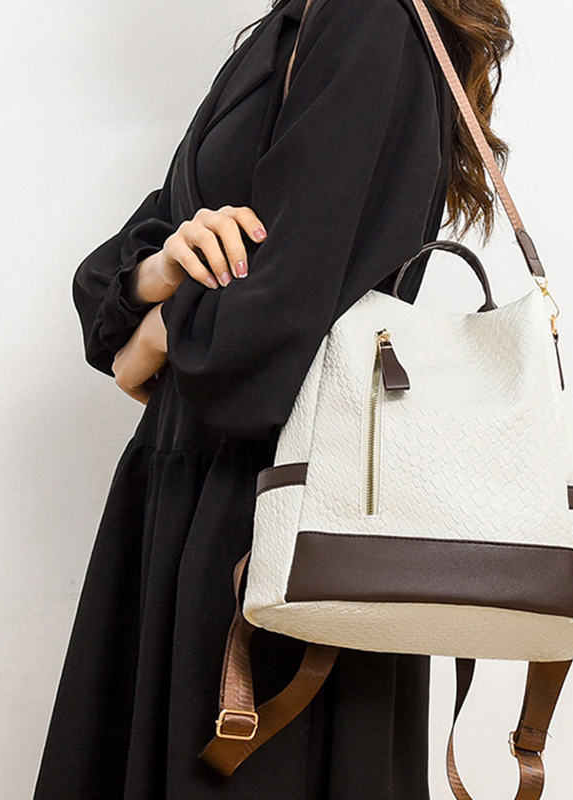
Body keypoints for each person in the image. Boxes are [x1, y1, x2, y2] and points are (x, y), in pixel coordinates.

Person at [31, 0, 514, 796]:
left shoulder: (368, 19)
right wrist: (160, 272)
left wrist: (160, 331)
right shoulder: (290, 27)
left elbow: (273, 327)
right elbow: (124, 261)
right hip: (212, 507)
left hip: (268, 522)